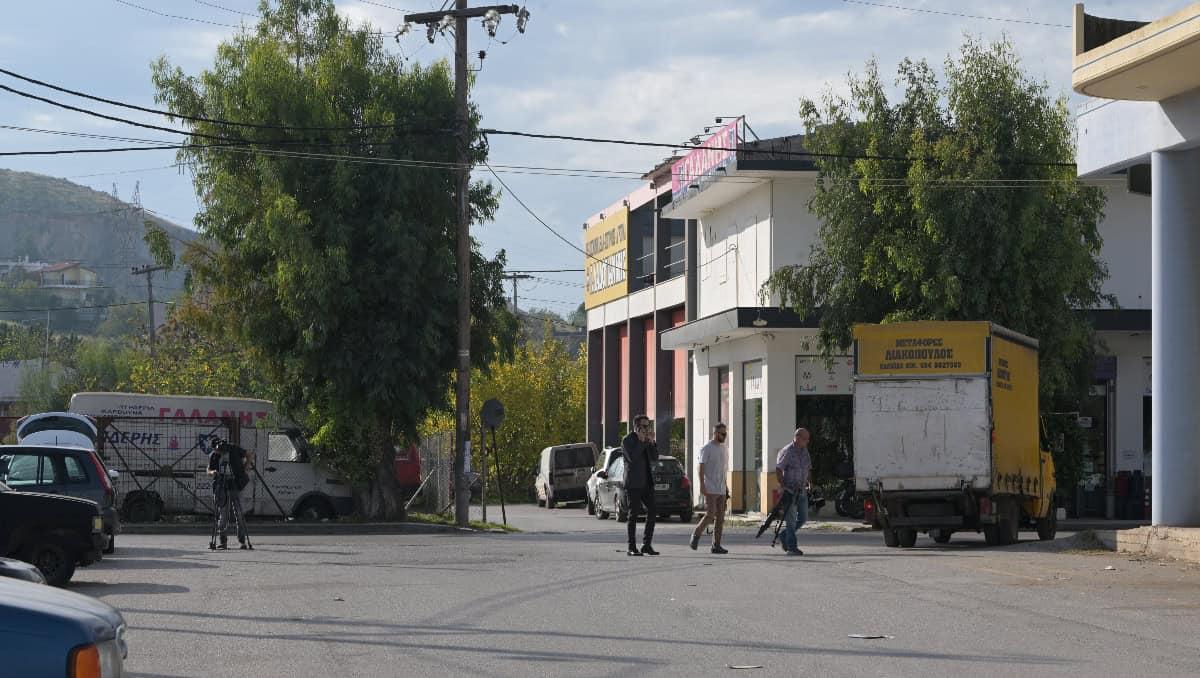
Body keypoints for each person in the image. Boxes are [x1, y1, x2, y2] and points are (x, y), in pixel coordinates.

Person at [621, 414, 658, 556]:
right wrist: (641, 441)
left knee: (653, 511)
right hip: (633, 484)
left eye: (648, 425)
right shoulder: (627, 440)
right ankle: (631, 547)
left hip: (647, 483)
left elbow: (655, 457)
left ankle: (646, 545)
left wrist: (652, 442)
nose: (646, 428)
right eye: (644, 426)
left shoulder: (647, 440)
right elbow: (632, 458)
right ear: (636, 426)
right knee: (633, 515)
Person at [690, 423, 729, 554]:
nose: (725, 436)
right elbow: (700, 467)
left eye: (726, 433)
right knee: (710, 514)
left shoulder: (724, 448)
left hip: (721, 488)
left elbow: (723, 469)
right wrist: (702, 484)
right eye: (722, 434)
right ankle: (696, 534)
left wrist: (726, 486)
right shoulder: (707, 448)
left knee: (720, 518)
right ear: (715, 433)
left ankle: (716, 545)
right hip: (710, 487)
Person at [207, 437, 252, 550]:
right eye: (216, 450)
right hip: (221, 486)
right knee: (223, 515)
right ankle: (223, 542)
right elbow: (209, 470)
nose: (218, 452)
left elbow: (249, 455)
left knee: (239, 514)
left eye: (219, 450)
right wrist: (213, 472)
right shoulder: (214, 455)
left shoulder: (234, 449)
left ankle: (242, 541)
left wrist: (244, 468)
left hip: (236, 484)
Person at [775, 427, 813, 556]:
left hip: (801, 489)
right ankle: (792, 547)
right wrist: (783, 486)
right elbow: (779, 469)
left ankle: (784, 535)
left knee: (803, 518)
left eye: (808, 439)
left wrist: (810, 482)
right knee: (791, 520)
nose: (807, 441)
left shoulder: (804, 451)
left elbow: (808, 468)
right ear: (797, 438)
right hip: (790, 490)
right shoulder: (787, 451)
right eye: (805, 439)